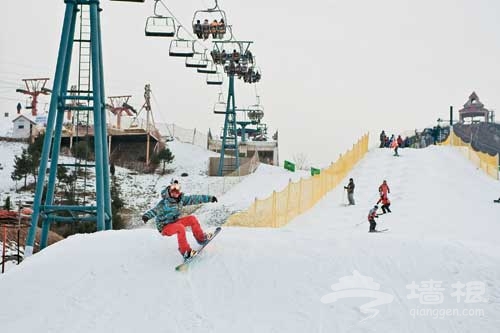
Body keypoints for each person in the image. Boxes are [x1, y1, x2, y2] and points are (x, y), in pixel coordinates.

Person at [142, 180, 218, 259]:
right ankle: (186, 252)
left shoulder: (181, 200)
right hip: (164, 227)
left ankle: (201, 238)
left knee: (192, 219)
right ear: (169, 191)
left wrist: (210, 198)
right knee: (180, 228)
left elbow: (194, 198)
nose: (175, 193)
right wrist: (146, 216)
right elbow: (154, 210)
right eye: (173, 191)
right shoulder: (164, 203)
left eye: (177, 190)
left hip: (174, 222)